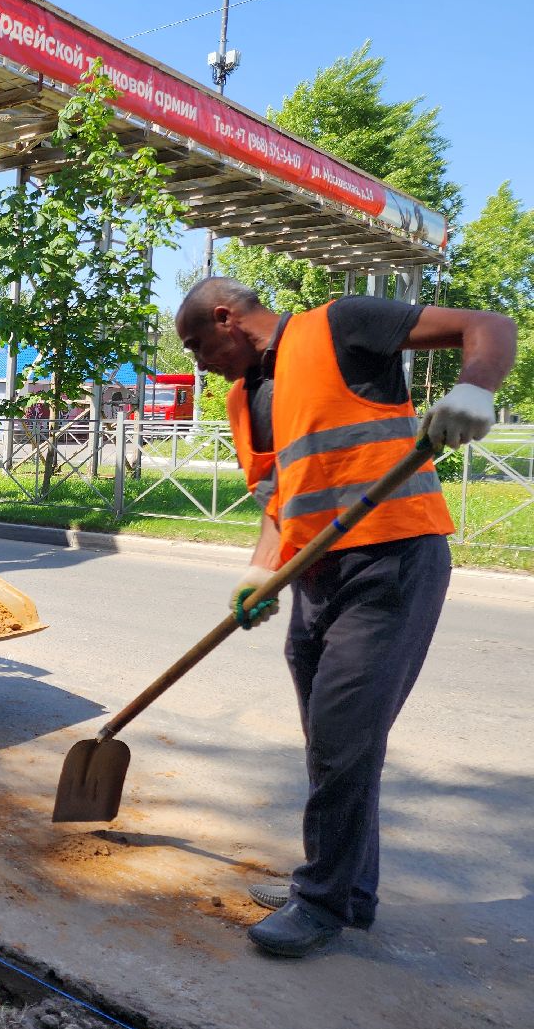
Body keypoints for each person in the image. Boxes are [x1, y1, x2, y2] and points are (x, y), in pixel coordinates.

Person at [174, 277, 515, 959]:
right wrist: (259, 570)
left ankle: (322, 901)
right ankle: (347, 888)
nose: (197, 362)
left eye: (197, 344)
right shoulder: (246, 399)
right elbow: (279, 498)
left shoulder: (342, 325)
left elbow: (489, 324)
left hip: (392, 561)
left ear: (226, 317)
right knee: (337, 743)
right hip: (315, 577)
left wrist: (475, 387)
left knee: (341, 736)